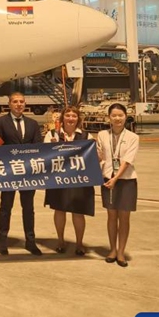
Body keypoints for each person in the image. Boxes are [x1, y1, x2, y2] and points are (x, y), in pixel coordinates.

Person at [0, 92, 44, 256]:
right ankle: (2, 241)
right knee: (5, 207)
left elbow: (38, 147)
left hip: (28, 174)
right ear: (9, 104)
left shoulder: (33, 123)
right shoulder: (0, 122)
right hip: (9, 173)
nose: (19, 104)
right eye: (15, 102)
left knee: (28, 208)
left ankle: (30, 241)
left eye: (21, 102)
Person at [44, 106, 95, 256]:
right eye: (68, 115)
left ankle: (79, 243)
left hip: (79, 180)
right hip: (58, 180)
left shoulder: (87, 136)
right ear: (62, 118)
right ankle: (60, 240)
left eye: (74, 116)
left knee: (78, 212)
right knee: (59, 210)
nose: (71, 118)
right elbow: (45, 157)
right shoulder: (52, 135)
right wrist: (52, 146)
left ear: (78, 119)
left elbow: (92, 157)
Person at [96, 103, 139, 268]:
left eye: (120, 115)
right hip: (107, 178)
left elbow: (127, 161)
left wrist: (116, 178)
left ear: (126, 116)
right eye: (114, 115)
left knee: (124, 217)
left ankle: (121, 251)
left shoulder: (133, 137)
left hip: (126, 180)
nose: (117, 118)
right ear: (109, 118)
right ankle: (112, 249)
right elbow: (101, 156)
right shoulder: (102, 135)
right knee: (111, 216)